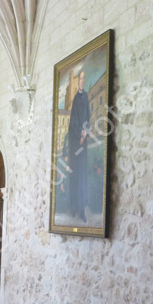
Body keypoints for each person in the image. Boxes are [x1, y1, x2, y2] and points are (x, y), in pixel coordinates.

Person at [67, 70, 90, 222]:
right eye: (80, 79)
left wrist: (85, 133)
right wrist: (78, 135)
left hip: (83, 142)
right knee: (74, 176)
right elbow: (73, 120)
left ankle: (82, 209)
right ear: (77, 82)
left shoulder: (86, 97)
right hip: (75, 142)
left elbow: (88, 116)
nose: (81, 81)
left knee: (82, 176)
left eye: (83, 78)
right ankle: (74, 207)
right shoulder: (75, 99)